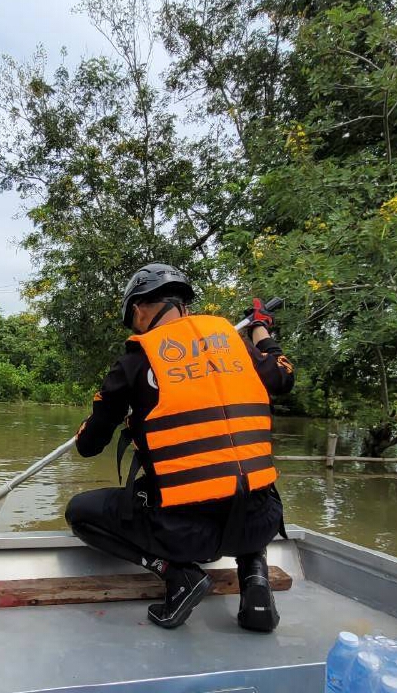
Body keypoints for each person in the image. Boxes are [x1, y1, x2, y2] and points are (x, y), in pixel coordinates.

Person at [65, 263, 295, 632]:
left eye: (133, 316)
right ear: (183, 305)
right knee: (240, 469)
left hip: (186, 536)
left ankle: (178, 576)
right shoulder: (234, 346)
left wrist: (97, 423)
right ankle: (255, 583)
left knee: (81, 511)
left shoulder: (135, 361)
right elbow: (283, 375)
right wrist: (260, 328)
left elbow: (89, 446)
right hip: (260, 525)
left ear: (140, 309)